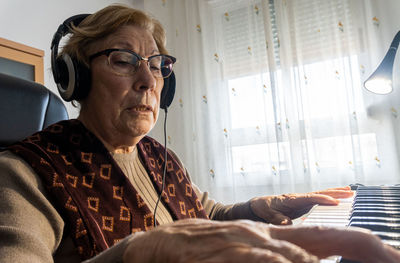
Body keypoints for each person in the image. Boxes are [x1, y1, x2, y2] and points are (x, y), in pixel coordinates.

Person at [0, 4, 399, 263]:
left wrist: (266, 206)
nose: (147, 80)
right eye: (124, 61)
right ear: (78, 79)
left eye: (157, 66)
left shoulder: (159, 157)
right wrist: (141, 252)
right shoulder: (25, 172)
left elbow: (204, 213)